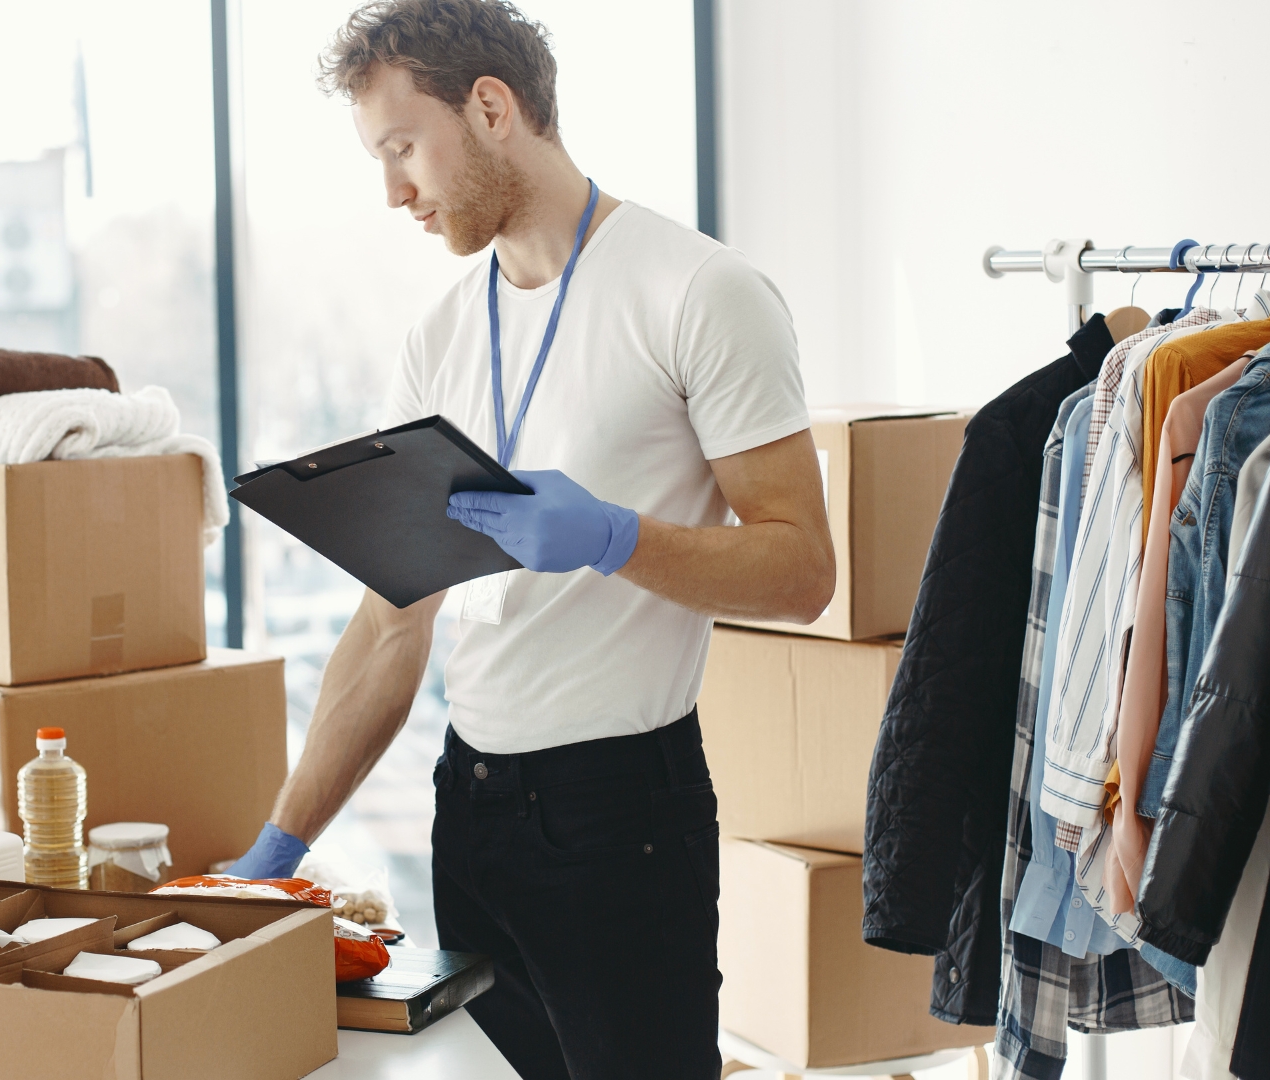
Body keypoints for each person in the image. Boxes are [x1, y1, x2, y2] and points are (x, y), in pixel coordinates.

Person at [224, 2, 833, 1076]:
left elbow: (802, 570)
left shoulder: (698, 292)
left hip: (622, 818)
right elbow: (391, 618)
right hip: (471, 810)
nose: (392, 191)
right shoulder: (443, 332)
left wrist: (610, 537)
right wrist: (282, 845)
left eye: (403, 148)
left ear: (493, 109)